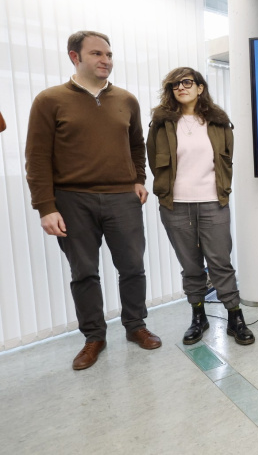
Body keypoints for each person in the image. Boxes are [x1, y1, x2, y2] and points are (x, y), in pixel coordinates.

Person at [25, 30, 161, 371]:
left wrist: (138, 180)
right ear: (75, 57)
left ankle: (135, 326)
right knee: (83, 272)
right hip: (72, 200)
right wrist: (46, 207)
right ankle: (94, 337)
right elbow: (37, 157)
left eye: (109, 55)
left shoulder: (126, 99)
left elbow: (136, 145)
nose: (106, 61)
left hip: (121, 198)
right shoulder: (49, 100)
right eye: (97, 54)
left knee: (132, 266)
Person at [147, 67, 254, 346]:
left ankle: (235, 317)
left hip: (213, 203)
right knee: (191, 267)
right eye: (174, 85)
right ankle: (198, 316)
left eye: (187, 83)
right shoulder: (160, 124)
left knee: (221, 264)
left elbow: (227, 160)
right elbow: (153, 162)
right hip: (175, 205)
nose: (181, 88)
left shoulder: (218, 122)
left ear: (200, 87)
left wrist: (222, 191)